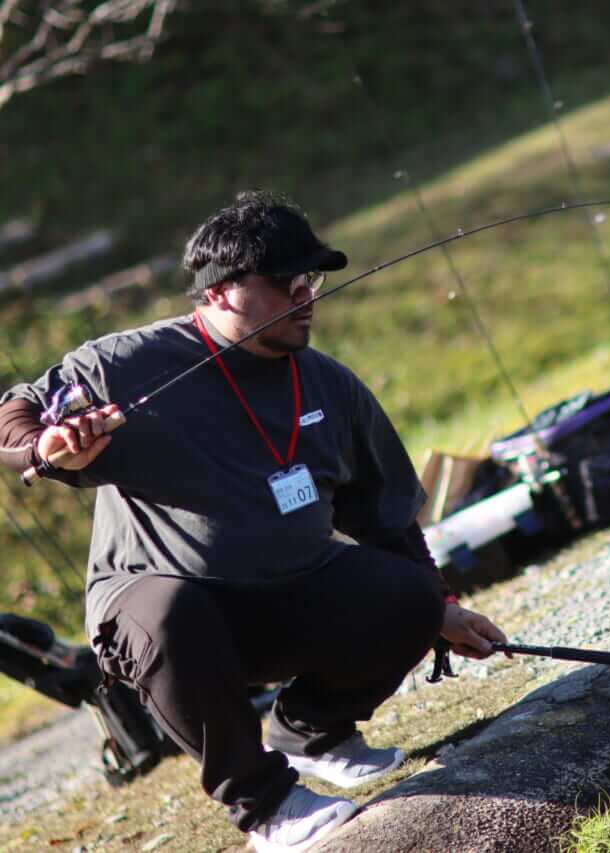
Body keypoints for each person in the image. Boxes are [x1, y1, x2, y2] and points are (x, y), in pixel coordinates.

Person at [0, 191, 508, 852]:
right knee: (172, 611)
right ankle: (265, 805)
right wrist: (47, 445)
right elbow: (14, 414)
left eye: (312, 276)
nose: (307, 291)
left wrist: (438, 607)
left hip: (286, 595)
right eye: (285, 281)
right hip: (161, 614)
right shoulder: (122, 363)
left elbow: (386, 517)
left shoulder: (328, 382)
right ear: (218, 293)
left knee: (408, 592)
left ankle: (314, 733)